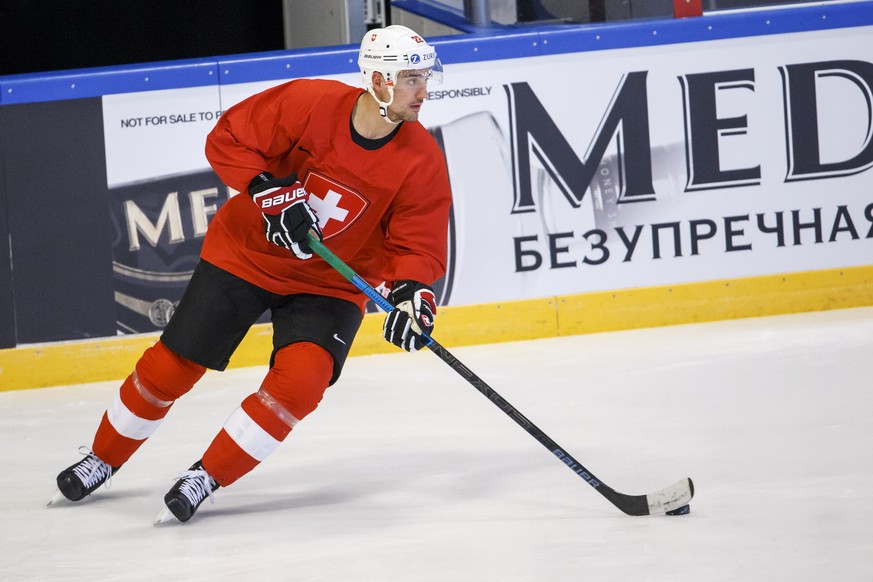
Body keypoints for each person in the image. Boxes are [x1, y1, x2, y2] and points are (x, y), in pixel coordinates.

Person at [50, 24, 452, 523]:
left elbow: (417, 242)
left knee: (302, 383)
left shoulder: (421, 158)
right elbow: (230, 137)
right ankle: (101, 459)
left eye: (424, 78)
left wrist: (414, 296)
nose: (423, 91)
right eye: (411, 79)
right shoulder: (310, 102)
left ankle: (207, 475)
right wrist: (271, 192)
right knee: (171, 367)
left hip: (328, 282)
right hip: (246, 254)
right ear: (379, 79)